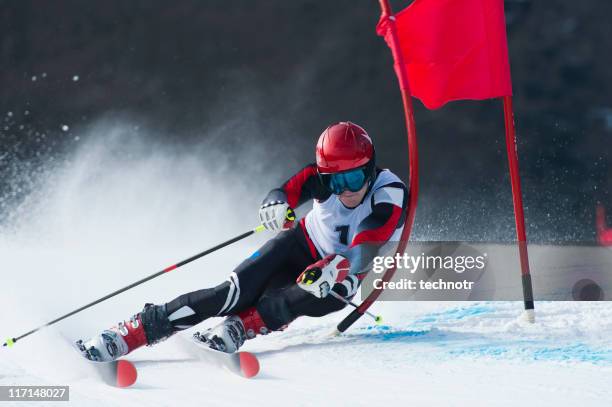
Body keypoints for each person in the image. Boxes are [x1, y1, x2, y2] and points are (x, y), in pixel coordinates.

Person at [78, 121, 408, 361]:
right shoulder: (321, 180)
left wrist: (340, 266)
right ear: (324, 177)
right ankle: (132, 332)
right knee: (231, 293)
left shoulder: (389, 193)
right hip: (298, 246)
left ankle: (243, 326)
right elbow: (282, 193)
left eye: (355, 177)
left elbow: (369, 241)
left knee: (315, 291)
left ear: (371, 167)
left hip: (342, 275)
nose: (347, 190)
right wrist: (275, 206)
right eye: (336, 182)